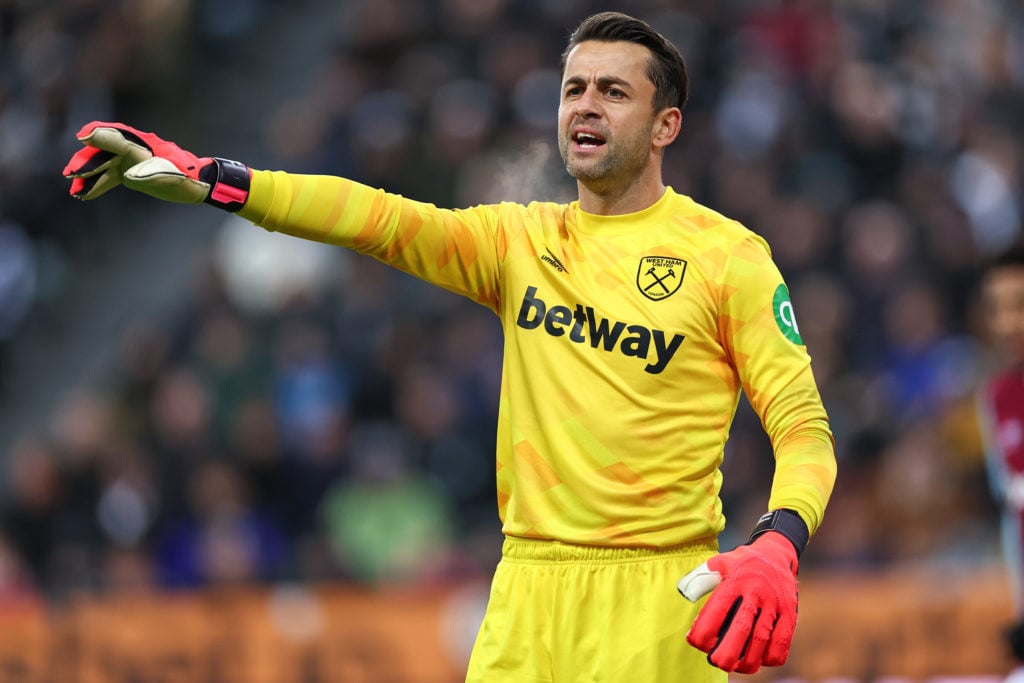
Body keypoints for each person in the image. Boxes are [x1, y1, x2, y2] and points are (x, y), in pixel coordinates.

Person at [63, 11, 837, 681]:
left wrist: (780, 540)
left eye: (613, 90)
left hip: (658, 597)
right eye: (573, 88)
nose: (585, 106)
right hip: (525, 592)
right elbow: (376, 218)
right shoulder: (519, 240)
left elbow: (804, 429)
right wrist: (216, 180)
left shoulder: (727, 257)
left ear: (666, 124)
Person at [977, 240, 1024, 616]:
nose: (1008, 322)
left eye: (1019, 305)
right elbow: (1013, 513)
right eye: (997, 310)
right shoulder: (996, 398)